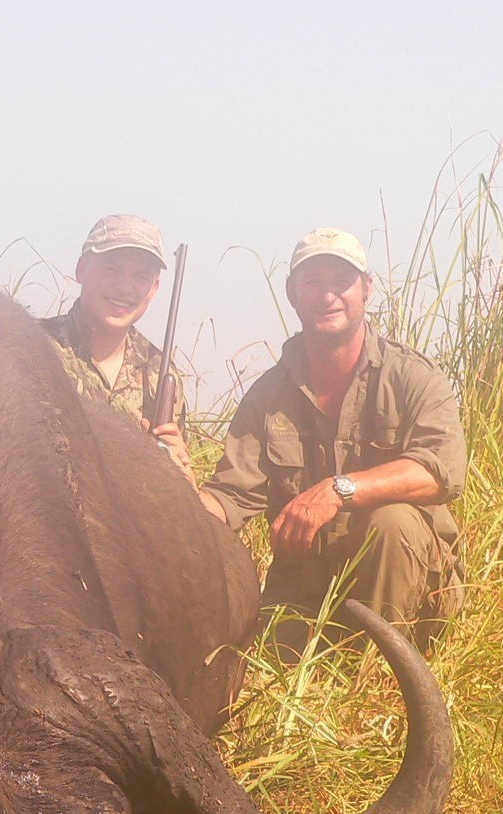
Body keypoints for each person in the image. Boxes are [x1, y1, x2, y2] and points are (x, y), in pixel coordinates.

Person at [197, 228, 467, 654]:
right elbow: (228, 497)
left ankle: (379, 679)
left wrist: (339, 491)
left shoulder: (414, 376)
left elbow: (440, 473)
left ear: (366, 289)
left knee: (392, 521)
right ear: (292, 293)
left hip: (410, 591)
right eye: (313, 283)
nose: (328, 296)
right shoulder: (267, 396)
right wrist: (167, 506)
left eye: (340, 282)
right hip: (305, 590)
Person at [42, 214, 193, 480]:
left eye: (141, 276)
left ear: (154, 288)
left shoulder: (162, 375)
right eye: (111, 269)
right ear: (81, 269)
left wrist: (180, 472)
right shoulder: (35, 350)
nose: (125, 287)